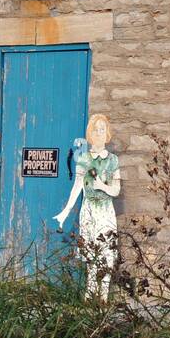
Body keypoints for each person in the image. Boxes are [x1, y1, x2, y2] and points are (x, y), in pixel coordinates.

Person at [54, 114, 120, 299]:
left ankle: (104, 298)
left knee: (106, 253)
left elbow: (116, 190)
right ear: (90, 133)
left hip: (106, 210)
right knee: (91, 256)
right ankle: (90, 298)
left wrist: (102, 186)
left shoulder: (113, 160)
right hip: (89, 209)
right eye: (95, 130)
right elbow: (77, 187)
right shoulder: (83, 159)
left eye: (102, 129)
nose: (99, 133)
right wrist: (65, 212)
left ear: (107, 132)